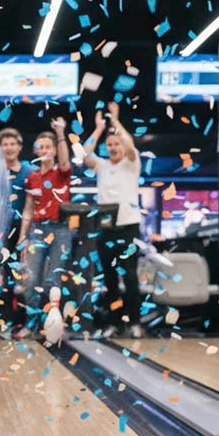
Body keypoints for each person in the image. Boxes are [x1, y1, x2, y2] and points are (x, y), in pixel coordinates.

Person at [82, 102, 144, 339]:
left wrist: (116, 121)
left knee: (129, 275)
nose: (113, 147)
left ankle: (135, 322)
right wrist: (98, 129)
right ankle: (113, 323)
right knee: (109, 277)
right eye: (110, 145)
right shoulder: (103, 166)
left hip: (128, 226)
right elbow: (85, 154)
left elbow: (130, 145)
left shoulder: (131, 164)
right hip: (106, 227)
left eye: (116, 143)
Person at [20, 119, 73, 332]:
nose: (44, 150)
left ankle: (52, 326)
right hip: (37, 231)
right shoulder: (32, 177)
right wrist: (24, 236)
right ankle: (30, 324)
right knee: (30, 279)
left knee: (53, 280)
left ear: (55, 150)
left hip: (61, 230)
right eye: (40, 147)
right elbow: (28, 209)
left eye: (48, 147)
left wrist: (60, 133)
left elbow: (66, 162)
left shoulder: (62, 173)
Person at [0, 127, 32, 336]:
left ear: (19, 147)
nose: (9, 148)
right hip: (1, 231)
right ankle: (5, 321)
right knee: (5, 278)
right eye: (4, 144)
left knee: (25, 278)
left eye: (12, 144)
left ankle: (25, 323)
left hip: (24, 231)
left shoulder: (29, 172)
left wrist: (27, 235)